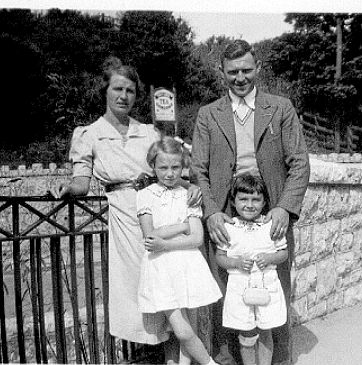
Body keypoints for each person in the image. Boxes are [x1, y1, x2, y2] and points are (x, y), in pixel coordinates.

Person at [52, 56, 201, 348]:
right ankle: (156, 351)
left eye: (130, 91)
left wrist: (191, 185)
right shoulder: (89, 134)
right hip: (125, 216)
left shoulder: (148, 131)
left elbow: (175, 166)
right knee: (142, 288)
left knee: (172, 282)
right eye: (118, 89)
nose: (124, 96)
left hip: (161, 209)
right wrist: (68, 187)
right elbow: (82, 180)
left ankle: (179, 354)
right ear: (105, 90)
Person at [190, 40, 310, 365]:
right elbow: (197, 168)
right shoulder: (208, 115)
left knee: (275, 286)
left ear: (257, 67)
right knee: (223, 289)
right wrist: (212, 212)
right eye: (232, 72)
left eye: (246, 70)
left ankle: (278, 360)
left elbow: (299, 162)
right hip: (225, 216)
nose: (240, 78)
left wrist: (285, 207)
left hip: (271, 211)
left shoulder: (280, 108)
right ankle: (229, 359)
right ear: (221, 72)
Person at [136, 136, 222, 365]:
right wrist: (183, 226)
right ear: (153, 166)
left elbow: (196, 238)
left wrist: (167, 240)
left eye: (175, 167)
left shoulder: (189, 195)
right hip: (161, 268)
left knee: (189, 331)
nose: (170, 173)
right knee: (181, 330)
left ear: (183, 167)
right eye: (163, 167)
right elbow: (150, 236)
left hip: (188, 265)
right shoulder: (145, 196)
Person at [216, 174, 288, 365]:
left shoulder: (270, 225)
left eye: (256, 199)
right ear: (233, 201)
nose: (250, 204)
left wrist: (271, 257)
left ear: (264, 202)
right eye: (243, 199)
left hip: (267, 284)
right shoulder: (229, 227)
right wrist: (236, 263)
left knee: (266, 329)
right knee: (246, 333)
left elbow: (283, 253)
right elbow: (220, 257)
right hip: (240, 286)